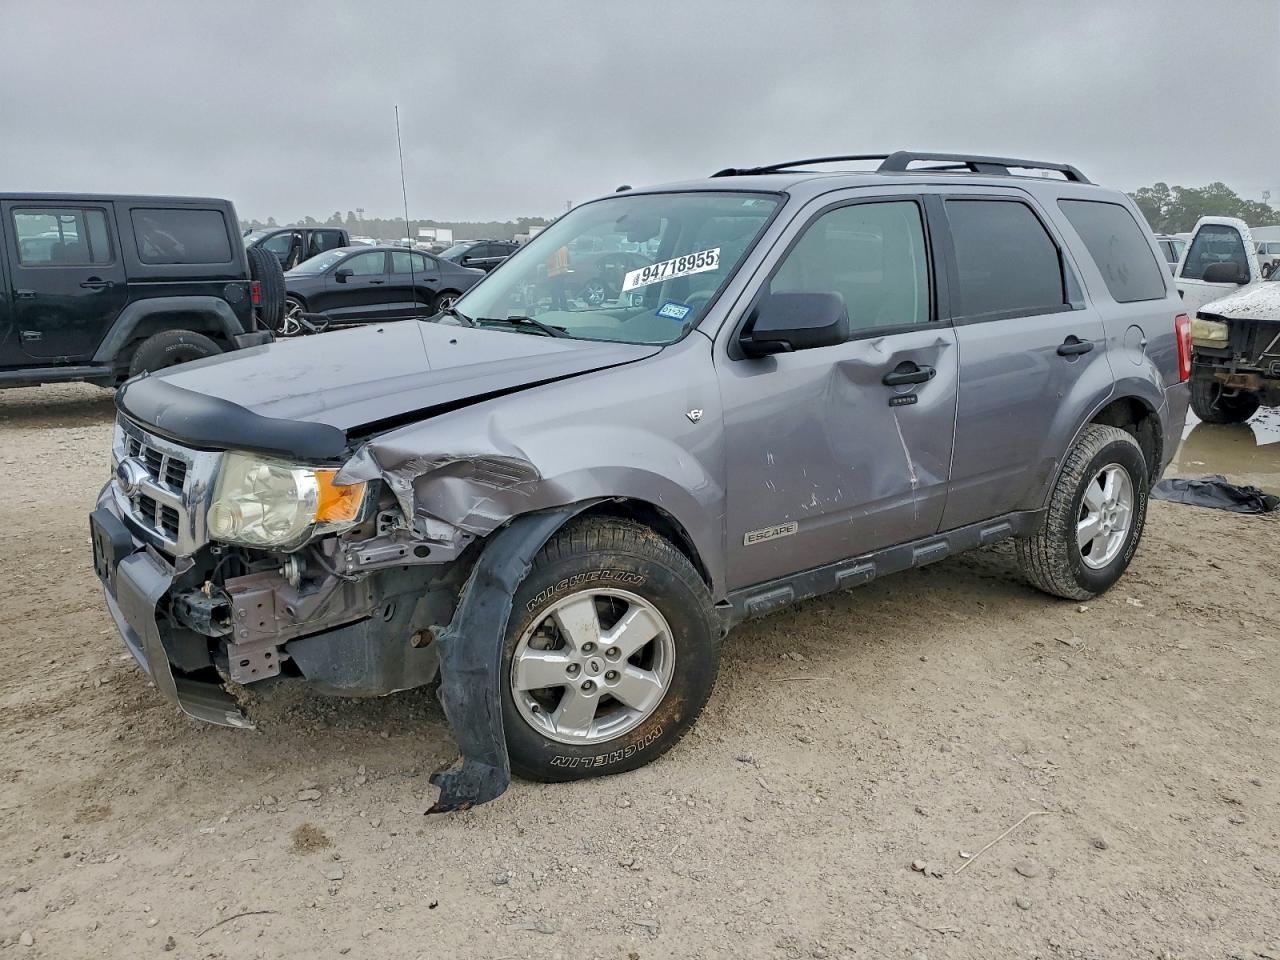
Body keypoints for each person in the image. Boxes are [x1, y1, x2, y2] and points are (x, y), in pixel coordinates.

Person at [546, 244, 571, 310]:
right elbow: (569, 260)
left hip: (554, 274)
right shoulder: (564, 248)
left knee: (554, 292)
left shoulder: (552, 250)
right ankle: (564, 307)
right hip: (563, 272)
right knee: (561, 291)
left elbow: (550, 263)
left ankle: (555, 306)